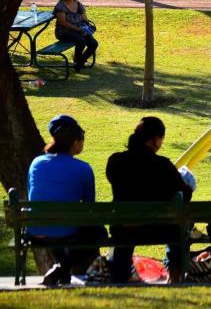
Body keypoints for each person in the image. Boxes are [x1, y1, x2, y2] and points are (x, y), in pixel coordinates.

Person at [106, 117, 194, 283]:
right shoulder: (163, 165)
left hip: (125, 228)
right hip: (159, 228)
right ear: (155, 139)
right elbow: (185, 194)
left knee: (125, 229)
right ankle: (175, 274)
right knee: (180, 226)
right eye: (161, 139)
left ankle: (120, 274)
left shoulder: (116, 161)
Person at [27, 115, 107, 286]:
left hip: (36, 229)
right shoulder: (83, 169)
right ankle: (63, 268)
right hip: (64, 230)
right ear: (75, 143)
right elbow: (89, 207)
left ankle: (62, 272)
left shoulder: (36, 163)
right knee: (98, 232)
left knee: (56, 223)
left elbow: (32, 194)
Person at [53, 0, 98, 72]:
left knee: (93, 43)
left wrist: (87, 28)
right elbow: (63, 23)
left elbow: (84, 18)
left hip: (79, 30)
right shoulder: (60, 6)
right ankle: (78, 64)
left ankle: (79, 62)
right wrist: (79, 29)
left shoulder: (79, 5)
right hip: (64, 32)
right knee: (81, 41)